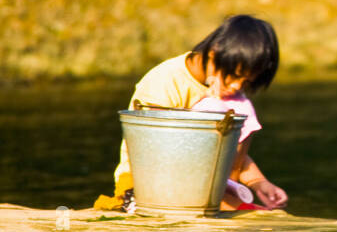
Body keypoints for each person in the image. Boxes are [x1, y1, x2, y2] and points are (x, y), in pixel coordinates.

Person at [95, 15, 289, 212]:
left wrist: (258, 182)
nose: (237, 86)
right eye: (235, 76)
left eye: (246, 82)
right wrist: (212, 110)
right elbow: (163, 153)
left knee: (242, 111)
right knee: (253, 217)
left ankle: (228, 202)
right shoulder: (165, 82)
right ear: (214, 55)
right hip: (148, 185)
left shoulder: (228, 91)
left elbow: (225, 151)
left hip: (208, 185)